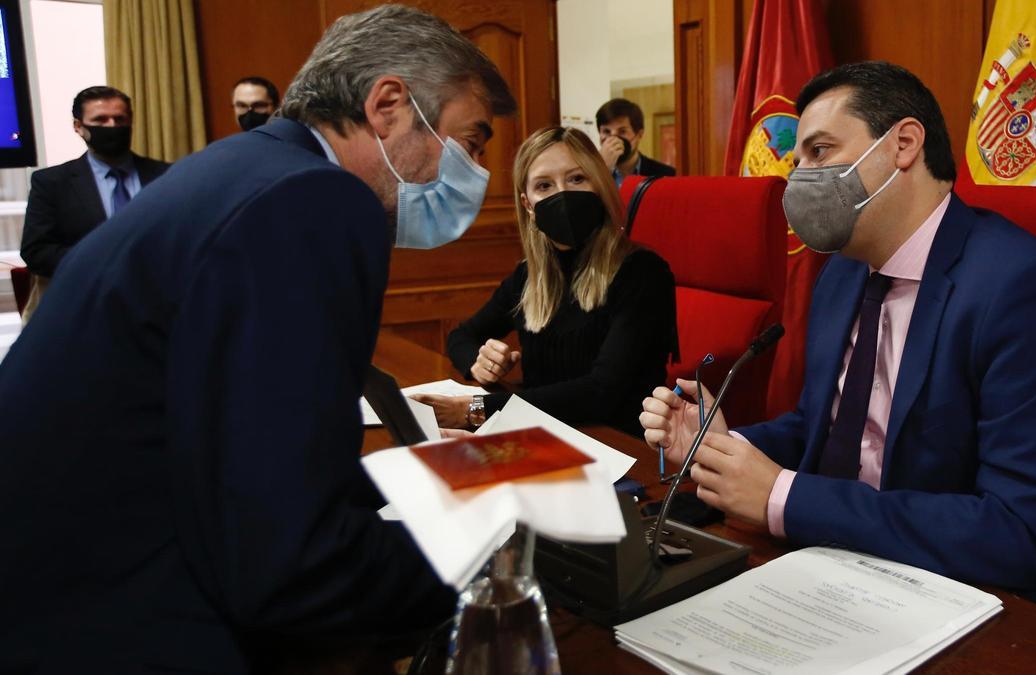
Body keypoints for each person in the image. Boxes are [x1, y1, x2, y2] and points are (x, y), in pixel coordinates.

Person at [0, 5, 516, 672]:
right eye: (470, 142)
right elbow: (291, 563)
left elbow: (256, 459)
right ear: (388, 104)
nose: (475, 170)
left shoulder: (244, 167)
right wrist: (492, 557)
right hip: (119, 620)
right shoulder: (312, 201)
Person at [641, 61, 1036, 624]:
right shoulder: (842, 274)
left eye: (819, 152)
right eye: (797, 160)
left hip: (1009, 611)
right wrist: (716, 448)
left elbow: (1019, 533)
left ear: (903, 144)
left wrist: (784, 497)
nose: (798, 178)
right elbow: (821, 430)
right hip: (858, 574)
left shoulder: (1020, 289)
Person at [419, 126, 677, 437]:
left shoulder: (643, 272)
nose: (562, 194)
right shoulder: (528, 275)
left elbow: (601, 392)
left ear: (601, 184)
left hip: (618, 446)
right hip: (541, 436)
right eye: (545, 185)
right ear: (528, 205)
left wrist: (475, 411)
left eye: (577, 179)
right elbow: (462, 335)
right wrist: (479, 362)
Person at [19, 86, 170, 319]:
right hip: (85, 309)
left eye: (120, 119)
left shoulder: (165, 175)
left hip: (156, 306)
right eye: (100, 120)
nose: (111, 126)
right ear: (79, 127)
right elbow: (36, 251)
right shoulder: (52, 183)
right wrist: (103, 263)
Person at [596, 97, 675, 187]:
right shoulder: (586, 175)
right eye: (606, 131)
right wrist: (602, 170)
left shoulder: (665, 175)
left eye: (622, 131)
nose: (613, 139)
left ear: (639, 134)